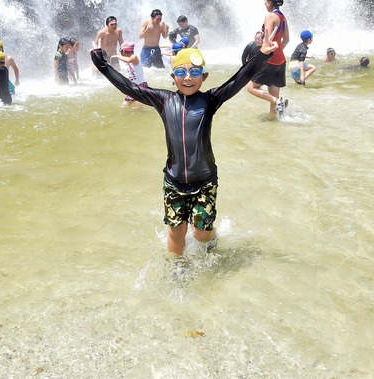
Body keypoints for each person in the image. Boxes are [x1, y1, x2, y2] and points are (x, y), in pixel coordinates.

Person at [89, 36, 279, 257]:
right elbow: (130, 88)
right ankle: (178, 269)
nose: (187, 78)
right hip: (173, 182)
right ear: (173, 76)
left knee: (201, 234)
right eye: (181, 72)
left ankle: (211, 236)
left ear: (204, 76)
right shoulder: (164, 101)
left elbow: (238, 79)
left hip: (205, 181)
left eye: (194, 72)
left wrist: (263, 55)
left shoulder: (210, 100)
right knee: (176, 232)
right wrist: (101, 64)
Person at [247, 0, 290, 116]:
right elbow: (287, 40)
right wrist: (278, 51)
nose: (265, 4)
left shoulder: (269, 16)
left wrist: (264, 56)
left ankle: (278, 102)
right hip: (281, 60)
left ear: (270, 2)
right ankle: (273, 119)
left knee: (251, 87)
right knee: (273, 91)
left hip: (269, 60)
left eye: (265, 1)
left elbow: (266, 40)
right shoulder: (283, 17)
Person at [110, 41, 147, 108]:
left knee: (138, 105)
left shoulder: (134, 57)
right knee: (124, 105)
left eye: (121, 52)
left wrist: (117, 56)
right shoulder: (128, 60)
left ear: (123, 51)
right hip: (133, 85)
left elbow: (129, 60)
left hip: (141, 85)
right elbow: (133, 72)